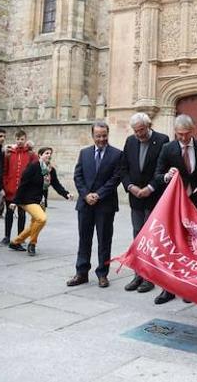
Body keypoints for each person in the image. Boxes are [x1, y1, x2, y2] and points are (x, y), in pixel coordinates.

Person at [153, 114, 197, 304]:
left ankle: (189, 286)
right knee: (171, 244)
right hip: (174, 204)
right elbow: (157, 174)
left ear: (192, 131)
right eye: (179, 134)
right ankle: (168, 289)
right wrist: (166, 176)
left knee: (193, 244)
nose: (182, 138)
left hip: (195, 202)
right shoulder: (167, 148)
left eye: (186, 134)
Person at [66, 121, 122, 288]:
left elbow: (115, 179)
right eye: (98, 136)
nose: (101, 139)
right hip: (85, 204)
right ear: (93, 136)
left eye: (104, 135)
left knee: (104, 240)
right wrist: (85, 195)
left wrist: (98, 195)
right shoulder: (84, 153)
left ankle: (102, 274)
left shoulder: (117, 154)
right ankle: (81, 273)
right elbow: (78, 176)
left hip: (105, 204)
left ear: (108, 134)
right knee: (84, 239)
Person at [119, 113, 169, 293]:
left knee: (151, 239)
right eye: (136, 131)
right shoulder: (130, 141)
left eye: (141, 130)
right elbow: (123, 168)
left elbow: (161, 169)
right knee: (137, 236)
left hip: (153, 197)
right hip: (135, 198)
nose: (138, 134)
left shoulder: (162, 140)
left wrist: (150, 187)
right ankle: (137, 275)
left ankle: (149, 278)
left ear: (149, 125)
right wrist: (130, 186)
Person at [8, 147, 73, 255]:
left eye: (50, 153)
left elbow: (56, 185)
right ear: (39, 155)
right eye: (46, 153)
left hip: (41, 200)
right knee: (41, 219)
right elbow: (23, 184)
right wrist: (15, 201)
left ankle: (15, 242)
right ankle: (32, 244)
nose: (49, 155)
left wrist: (66, 194)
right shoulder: (33, 167)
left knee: (35, 224)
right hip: (28, 199)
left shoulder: (51, 170)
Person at [1, 130, 37, 246]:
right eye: (18, 139)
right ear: (15, 139)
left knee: (22, 214)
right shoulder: (9, 153)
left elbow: (36, 166)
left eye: (22, 139)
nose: (20, 141)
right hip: (10, 189)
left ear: (25, 140)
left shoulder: (30, 154)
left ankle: (20, 237)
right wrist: (5, 185)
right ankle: (6, 237)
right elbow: (5, 171)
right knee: (9, 214)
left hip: (23, 191)